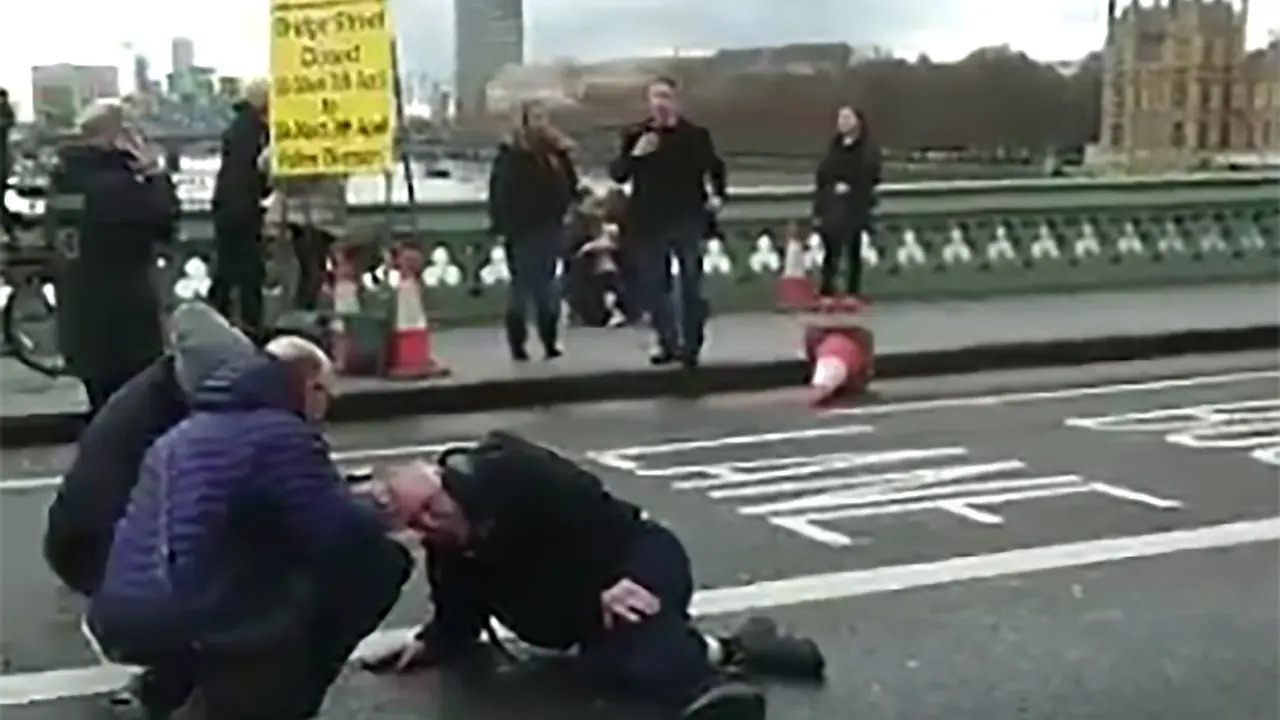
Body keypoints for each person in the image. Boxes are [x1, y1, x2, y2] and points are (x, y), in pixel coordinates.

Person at [362, 431, 826, 720]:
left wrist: (621, 578)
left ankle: (712, 692)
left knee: (640, 647)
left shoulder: (515, 477)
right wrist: (431, 644)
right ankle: (738, 647)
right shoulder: (451, 552)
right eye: (416, 522)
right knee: (594, 668)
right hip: (583, 615)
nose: (430, 523)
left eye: (432, 507)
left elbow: (603, 516)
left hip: (634, 561)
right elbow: (457, 611)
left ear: (449, 482)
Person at [87, 335, 413, 720]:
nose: (327, 409)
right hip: (193, 615)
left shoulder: (181, 435)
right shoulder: (281, 433)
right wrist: (387, 507)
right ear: (309, 387)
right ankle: (273, 696)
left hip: (119, 615)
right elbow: (340, 533)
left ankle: (171, 687)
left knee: (246, 568)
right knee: (381, 562)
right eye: (327, 395)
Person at [43, 302, 258, 714]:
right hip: (105, 556)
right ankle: (181, 672)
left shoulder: (151, 393)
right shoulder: (176, 421)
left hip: (79, 542)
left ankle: (172, 664)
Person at [50, 100, 178, 417]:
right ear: (119, 136)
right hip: (124, 322)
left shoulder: (64, 180)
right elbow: (164, 222)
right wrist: (155, 173)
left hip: (78, 313)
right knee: (133, 418)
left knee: (102, 412)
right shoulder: (116, 187)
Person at [609, 76, 726, 370]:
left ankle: (691, 344)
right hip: (649, 220)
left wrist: (718, 196)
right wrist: (637, 154)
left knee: (690, 284)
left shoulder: (695, 135)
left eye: (665, 96)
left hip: (687, 216)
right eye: (655, 97)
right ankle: (668, 342)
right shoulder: (636, 135)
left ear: (676, 100)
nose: (660, 103)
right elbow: (618, 174)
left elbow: (714, 168)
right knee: (655, 286)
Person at [487, 100, 580, 361]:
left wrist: (568, 205)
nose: (540, 123)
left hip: (550, 226)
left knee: (546, 285)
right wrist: (502, 225)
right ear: (525, 122)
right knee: (525, 286)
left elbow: (571, 184)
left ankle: (549, 340)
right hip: (522, 229)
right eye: (535, 118)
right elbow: (500, 192)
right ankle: (519, 342)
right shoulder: (512, 154)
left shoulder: (556, 152)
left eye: (543, 117)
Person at [210, 79, 271, 338]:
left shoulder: (238, 127)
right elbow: (261, 168)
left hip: (226, 204)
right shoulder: (257, 130)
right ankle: (250, 325)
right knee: (249, 271)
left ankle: (216, 320)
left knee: (226, 268)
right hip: (245, 206)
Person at [811, 106, 881, 298]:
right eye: (840, 118)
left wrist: (849, 184)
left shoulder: (867, 148)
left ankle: (852, 290)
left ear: (857, 121)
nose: (842, 122)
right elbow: (822, 175)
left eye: (847, 118)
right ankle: (827, 289)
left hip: (854, 205)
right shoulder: (833, 147)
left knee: (853, 249)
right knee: (830, 250)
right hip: (831, 205)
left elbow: (871, 174)